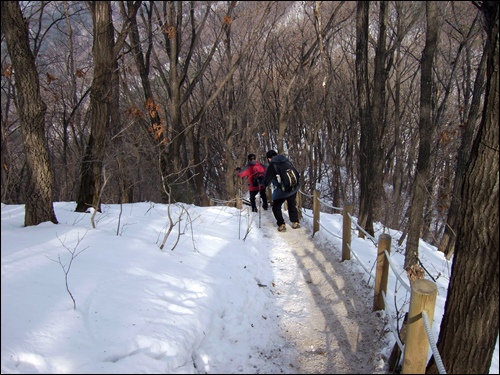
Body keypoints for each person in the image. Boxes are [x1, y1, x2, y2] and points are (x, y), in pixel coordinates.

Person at [263, 150, 300, 232]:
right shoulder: (286, 160)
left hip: (282, 190)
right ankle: (295, 222)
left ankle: (281, 224)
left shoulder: (272, 165)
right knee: (292, 204)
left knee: (276, 207)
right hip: (293, 187)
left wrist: (262, 184)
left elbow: (266, 181)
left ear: (269, 158)